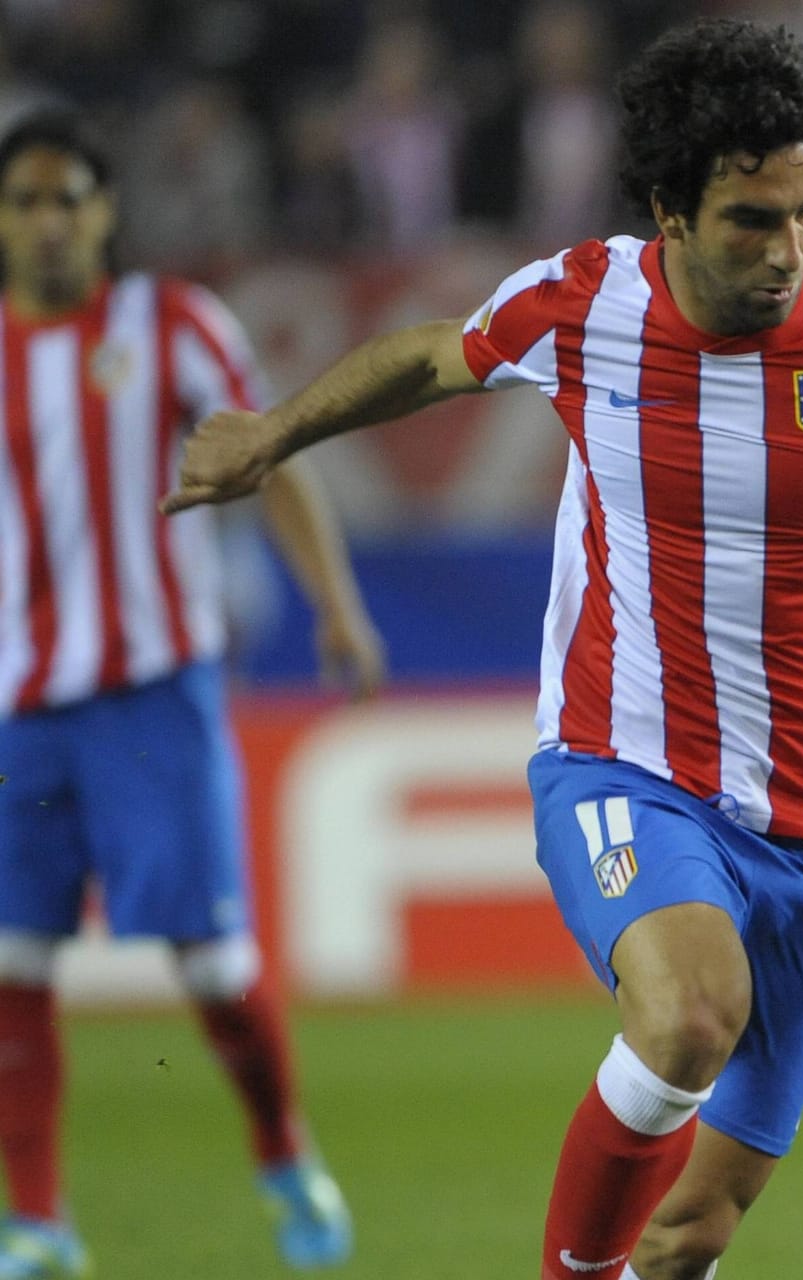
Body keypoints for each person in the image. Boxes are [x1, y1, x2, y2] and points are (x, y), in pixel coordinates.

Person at [163, 20, 803, 1280]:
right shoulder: (587, 304)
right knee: (689, 1010)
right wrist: (274, 432)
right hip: (628, 763)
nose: (788, 252)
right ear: (668, 209)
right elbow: (429, 356)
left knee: (690, 1232)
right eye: (751, 221)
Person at [0, 111, 381, 1276]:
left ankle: (281, 1149)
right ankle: (41, 1221)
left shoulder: (169, 326)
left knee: (213, 964)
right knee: (13, 964)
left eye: (71, 197)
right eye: (27, 200)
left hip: (155, 693)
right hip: (19, 704)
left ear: (106, 211)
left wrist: (335, 603)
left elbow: (268, 458)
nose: (50, 221)